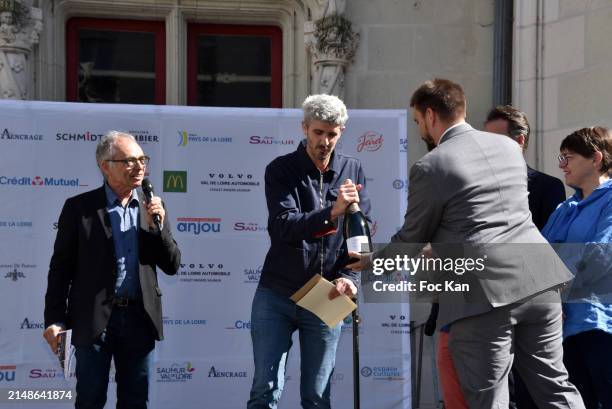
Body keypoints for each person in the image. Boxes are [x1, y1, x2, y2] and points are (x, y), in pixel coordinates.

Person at [348, 78, 584, 409]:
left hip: (484, 294)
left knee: (488, 399)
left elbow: (412, 238)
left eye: (418, 121)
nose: (421, 130)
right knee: (555, 388)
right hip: (541, 280)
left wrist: (373, 261)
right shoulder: (507, 148)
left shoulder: (431, 165)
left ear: (430, 115)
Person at [247, 94, 371, 409]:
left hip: (327, 294)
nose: (324, 141)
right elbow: (283, 227)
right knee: (265, 391)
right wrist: (332, 212)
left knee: (317, 397)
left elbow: (361, 234)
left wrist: (349, 278)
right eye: (318, 132)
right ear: (304, 128)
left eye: (332, 133)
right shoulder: (281, 169)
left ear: (341, 131)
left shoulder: (352, 169)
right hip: (277, 293)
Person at [43, 131, 181, 409]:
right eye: (129, 160)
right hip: (92, 320)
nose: (140, 166)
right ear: (105, 166)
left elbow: (172, 264)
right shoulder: (79, 208)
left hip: (139, 319)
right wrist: (55, 319)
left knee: (135, 401)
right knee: (91, 399)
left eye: (143, 159)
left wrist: (157, 229)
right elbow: (60, 269)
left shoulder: (153, 206)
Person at [542, 127, 612, 408]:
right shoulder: (564, 208)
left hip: (600, 327)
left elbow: (600, 255)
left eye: (568, 157)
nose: (562, 165)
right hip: (562, 329)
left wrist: (554, 286)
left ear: (595, 158)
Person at [485, 105, 566, 230]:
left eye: (495, 140)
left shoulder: (548, 187)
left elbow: (550, 243)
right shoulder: (477, 185)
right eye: (485, 140)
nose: (486, 146)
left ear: (519, 140)